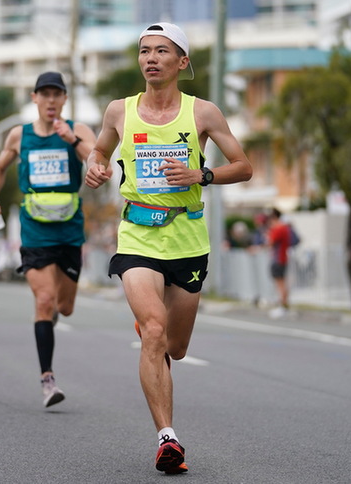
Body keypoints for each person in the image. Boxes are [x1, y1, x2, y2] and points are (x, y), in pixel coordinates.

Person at [85, 23, 252, 474]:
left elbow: (244, 166)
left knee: (174, 348)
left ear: (182, 63)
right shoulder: (120, 111)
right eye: (144, 51)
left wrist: (203, 175)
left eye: (161, 51)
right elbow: (98, 153)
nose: (150, 59)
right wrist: (95, 167)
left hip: (188, 238)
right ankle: (167, 438)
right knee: (154, 329)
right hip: (137, 234)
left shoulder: (204, 113)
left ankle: (154, 338)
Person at [0, 71, 96, 408]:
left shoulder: (78, 129)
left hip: (70, 229)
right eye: (44, 94)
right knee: (44, 299)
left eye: (56, 94)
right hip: (34, 230)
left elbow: (96, 160)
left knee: (66, 307)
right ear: (34, 98)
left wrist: (71, 138)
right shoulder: (20, 135)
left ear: (64, 99)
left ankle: (56, 313)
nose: (50, 100)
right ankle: (47, 379)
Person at [266, 207, 291, 318]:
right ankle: (284, 305)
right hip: (282, 258)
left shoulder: (278, 228)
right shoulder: (285, 228)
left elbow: (270, 242)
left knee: (280, 283)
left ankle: (283, 306)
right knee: (282, 283)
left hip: (278, 258)